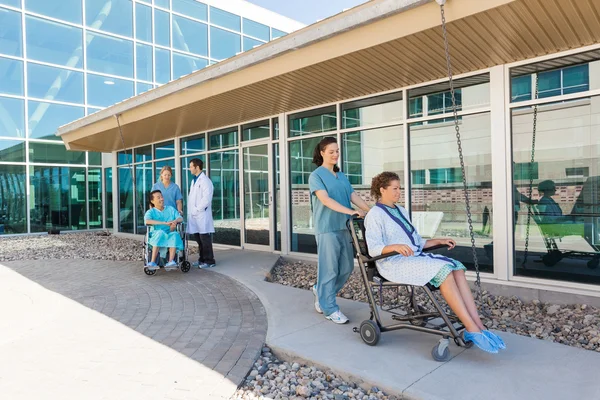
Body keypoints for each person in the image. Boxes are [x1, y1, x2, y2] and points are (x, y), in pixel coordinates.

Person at [364, 171, 505, 353]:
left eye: (400, 188)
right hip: (392, 263)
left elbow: (416, 242)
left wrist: (438, 241)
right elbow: (374, 248)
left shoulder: (401, 211)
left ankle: (479, 326)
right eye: (395, 188)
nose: (399, 192)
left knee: (457, 268)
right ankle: (470, 328)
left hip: (411, 258)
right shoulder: (375, 214)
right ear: (382, 190)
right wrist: (394, 247)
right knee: (444, 271)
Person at [309, 137, 371, 324]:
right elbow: (325, 200)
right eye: (331, 151)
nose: (336, 154)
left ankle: (321, 291)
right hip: (327, 228)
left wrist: (372, 211)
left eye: (337, 151)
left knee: (346, 267)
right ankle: (329, 307)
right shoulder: (316, 176)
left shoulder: (341, 175)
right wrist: (351, 211)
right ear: (322, 153)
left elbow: (353, 195)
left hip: (345, 227)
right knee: (329, 270)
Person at [186, 158, 216, 268]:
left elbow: (206, 199)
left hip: (201, 214)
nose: (189, 169)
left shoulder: (205, 181)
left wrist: (197, 209)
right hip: (194, 215)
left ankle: (210, 261)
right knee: (198, 238)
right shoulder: (194, 180)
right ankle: (202, 259)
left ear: (197, 167)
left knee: (205, 238)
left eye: (191, 166)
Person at [144, 190, 184, 270]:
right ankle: (152, 262)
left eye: (162, 197)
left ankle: (171, 261)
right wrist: (164, 223)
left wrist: (175, 221)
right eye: (158, 197)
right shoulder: (151, 212)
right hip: (156, 235)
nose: (162, 199)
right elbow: (147, 221)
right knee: (160, 233)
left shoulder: (170, 209)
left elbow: (180, 218)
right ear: (152, 201)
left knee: (175, 234)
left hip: (169, 233)